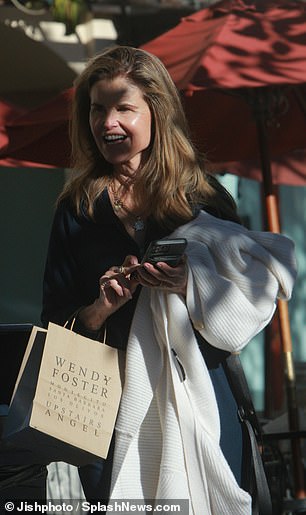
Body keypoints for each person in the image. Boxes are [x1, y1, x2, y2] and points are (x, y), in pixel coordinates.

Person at [41, 46, 296, 513]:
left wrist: (189, 284)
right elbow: (54, 321)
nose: (107, 123)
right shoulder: (75, 211)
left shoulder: (202, 198)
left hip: (203, 400)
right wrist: (101, 307)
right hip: (108, 411)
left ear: (157, 113)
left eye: (123, 108)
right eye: (97, 109)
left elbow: (239, 313)